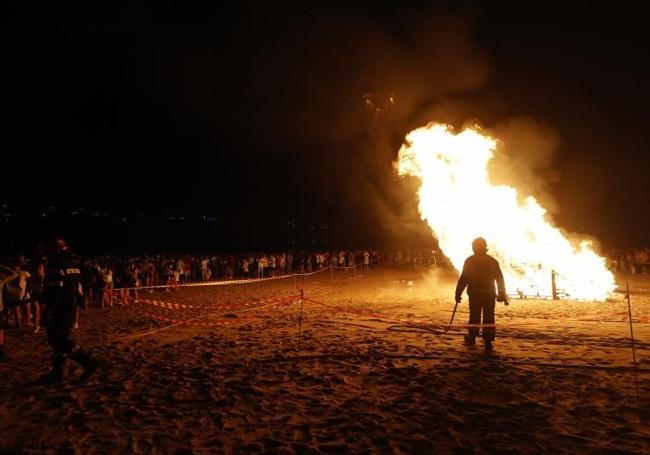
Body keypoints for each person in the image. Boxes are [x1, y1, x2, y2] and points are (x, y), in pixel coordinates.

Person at [39, 238, 99, 383]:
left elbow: (56, 290)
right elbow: (78, 288)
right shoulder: (73, 264)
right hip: (70, 307)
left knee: (58, 340)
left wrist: (47, 308)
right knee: (59, 340)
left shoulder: (56, 265)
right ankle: (57, 373)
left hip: (60, 308)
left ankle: (88, 361)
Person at [454, 237, 509, 350]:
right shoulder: (492, 261)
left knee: (474, 316)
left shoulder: (470, 261)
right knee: (489, 317)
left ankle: (472, 336)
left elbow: (464, 278)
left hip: (475, 294)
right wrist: (501, 294)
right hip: (489, 295)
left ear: (475, 247)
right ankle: (488, 341)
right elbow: (500, 279)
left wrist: (458, 293)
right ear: (485, 247)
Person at [0, 264, 18, 361]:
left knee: (0, 329)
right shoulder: (1, 281)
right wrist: (4, 267)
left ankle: (0, 350)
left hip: (0, 309)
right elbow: (14, 274)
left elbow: (14, 274)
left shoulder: (1, 281)